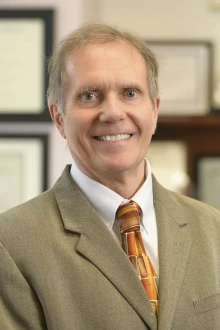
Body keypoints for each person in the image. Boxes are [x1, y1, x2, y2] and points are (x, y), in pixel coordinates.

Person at [1, 22, 220, 330]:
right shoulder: (10, 244)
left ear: (154, 111)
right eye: (89, 95)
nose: (113, 113)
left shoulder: (213, 229)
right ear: (59, 117)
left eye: (130, 93)